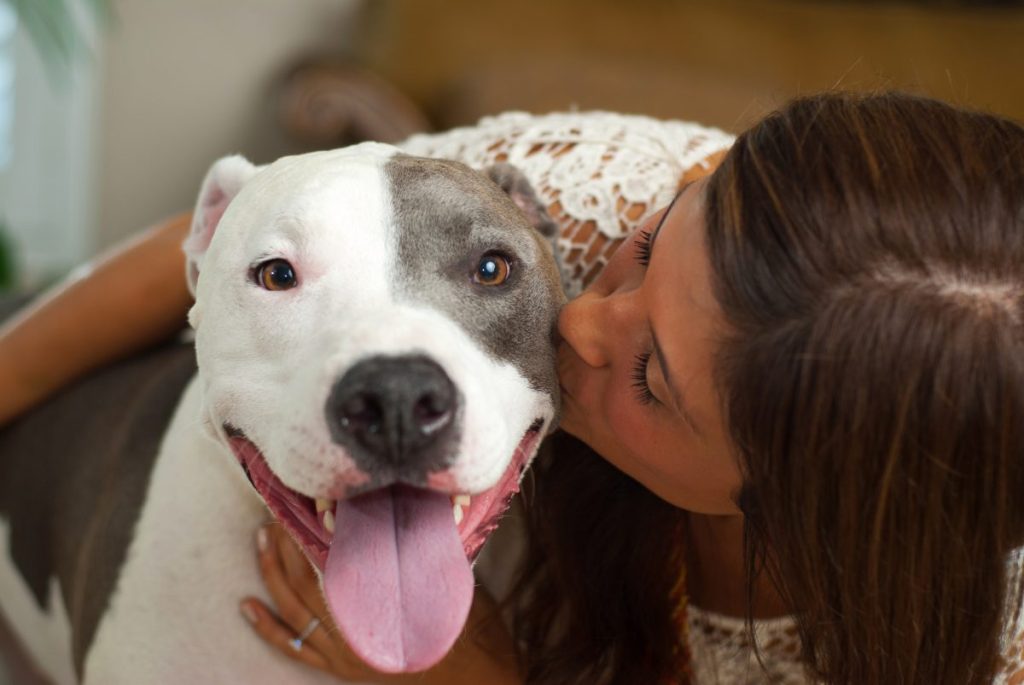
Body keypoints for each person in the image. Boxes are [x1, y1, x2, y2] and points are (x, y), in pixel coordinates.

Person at [2, 91, 1023, 684]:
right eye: (643, 248)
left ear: (812, 508)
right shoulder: (593, 190)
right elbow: (269, 216)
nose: (575, 318)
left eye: (649, 378)